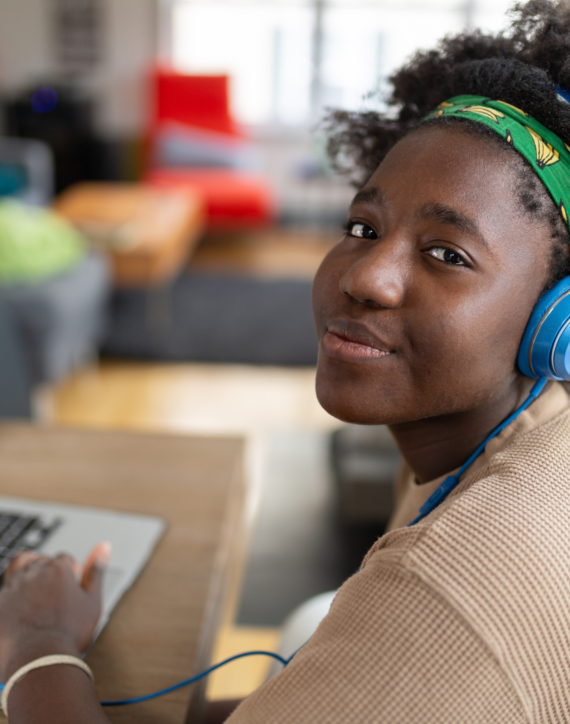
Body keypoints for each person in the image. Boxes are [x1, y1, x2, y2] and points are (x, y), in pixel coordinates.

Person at [3, 0, 570, 721]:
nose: (365, 276)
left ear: (559, 319)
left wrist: (37, 641)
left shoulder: (449, 590)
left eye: (446, 254)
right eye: (363, 226)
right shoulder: (503, 433)